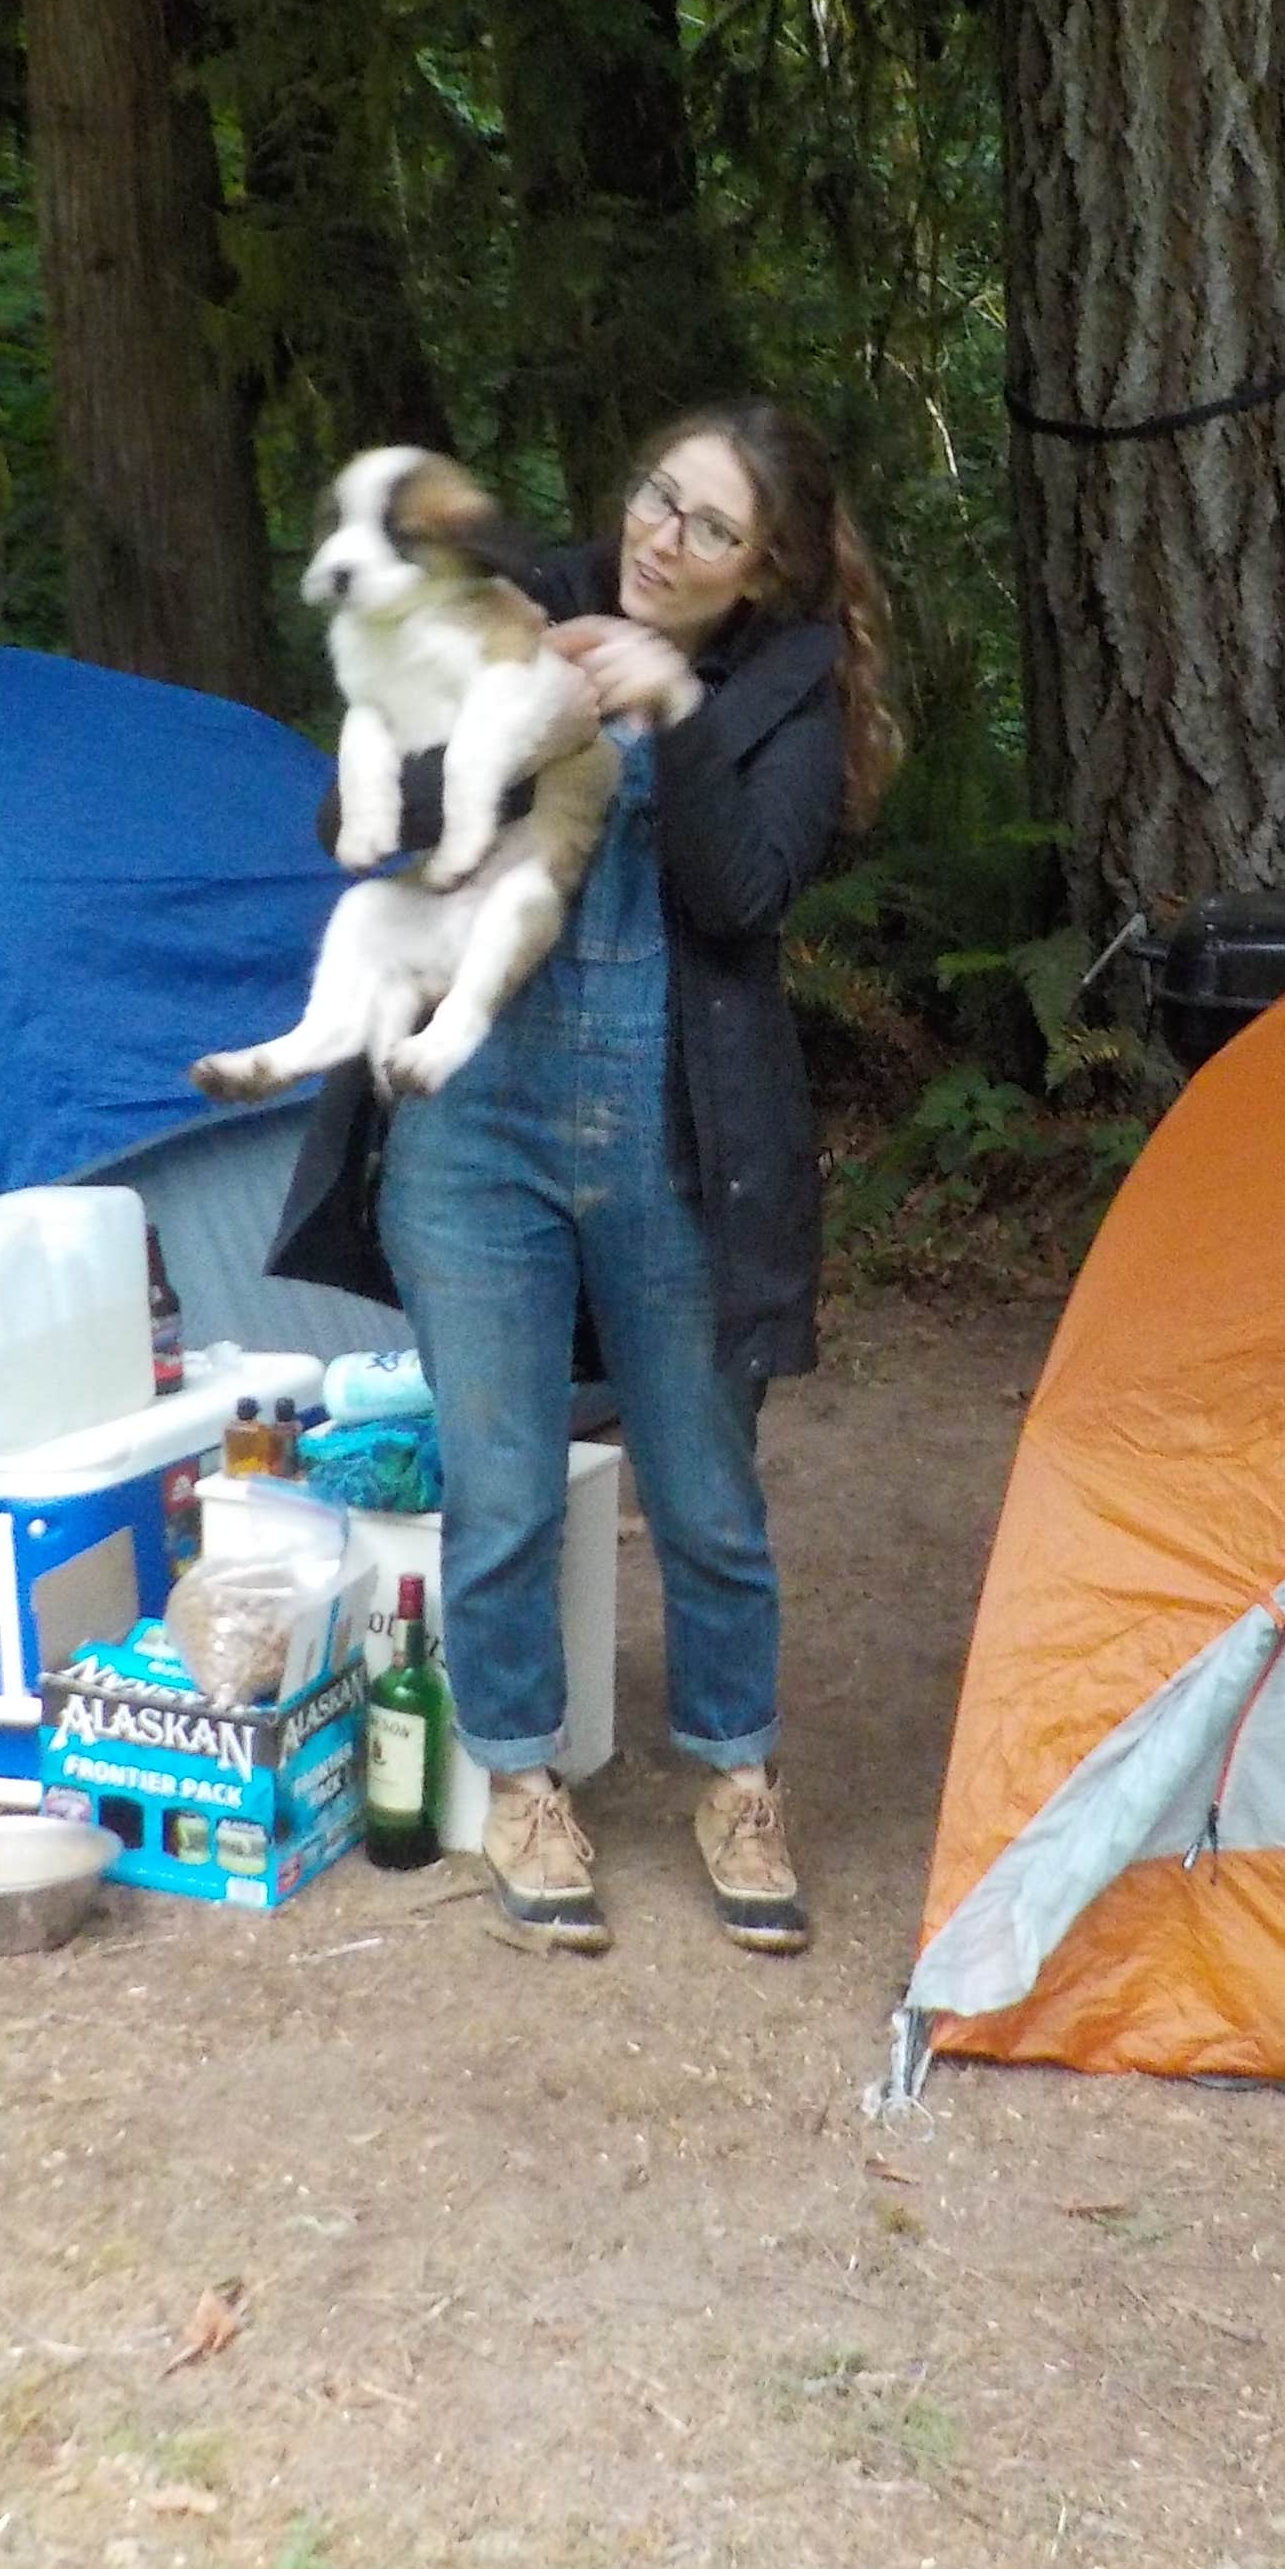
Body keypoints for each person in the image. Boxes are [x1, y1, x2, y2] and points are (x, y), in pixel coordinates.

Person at [368, 399, 900, 1954]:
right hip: (476, 1132)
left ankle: (735, 1775)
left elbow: (740, 898)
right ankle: (519, 1774)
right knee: (503, 1485)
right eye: (660, 496)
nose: (665, 537)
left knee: (707, 1499)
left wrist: (670, 713)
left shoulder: (792, 688)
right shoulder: (520, 605)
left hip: (680, 1149)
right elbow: (368, 820)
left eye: (711, 527)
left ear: (765, 570)